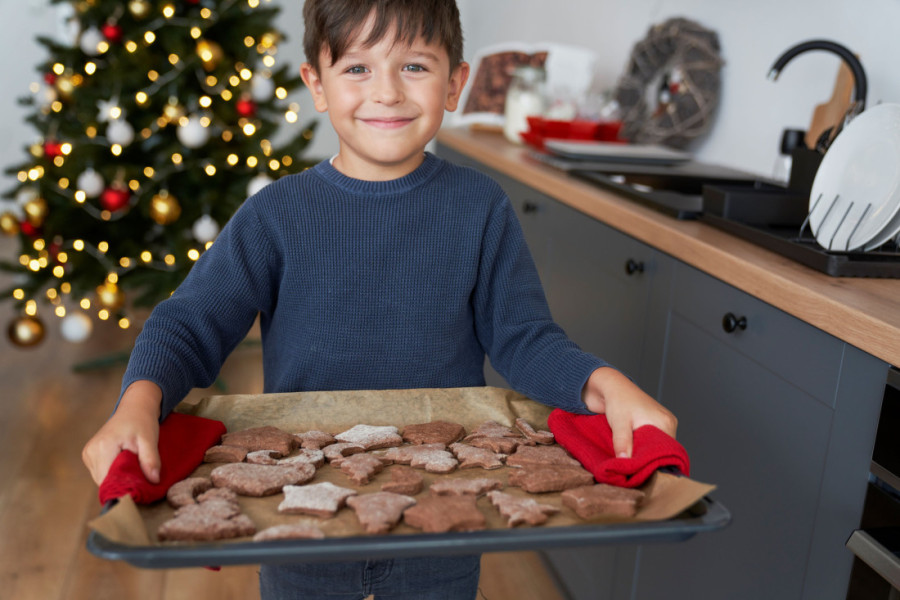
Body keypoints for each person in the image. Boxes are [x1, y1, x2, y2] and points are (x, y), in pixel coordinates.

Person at [82, 0, 677, 598]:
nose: (387, 92)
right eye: (358, 69)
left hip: (441, 516)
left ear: (455, 84)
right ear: (316, 83)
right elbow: (190, 324)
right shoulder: (275, 215)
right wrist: (138, 403)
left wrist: (605, 385)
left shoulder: (481, 207)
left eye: (415, 66)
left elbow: (525, 338)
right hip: (305, 515)